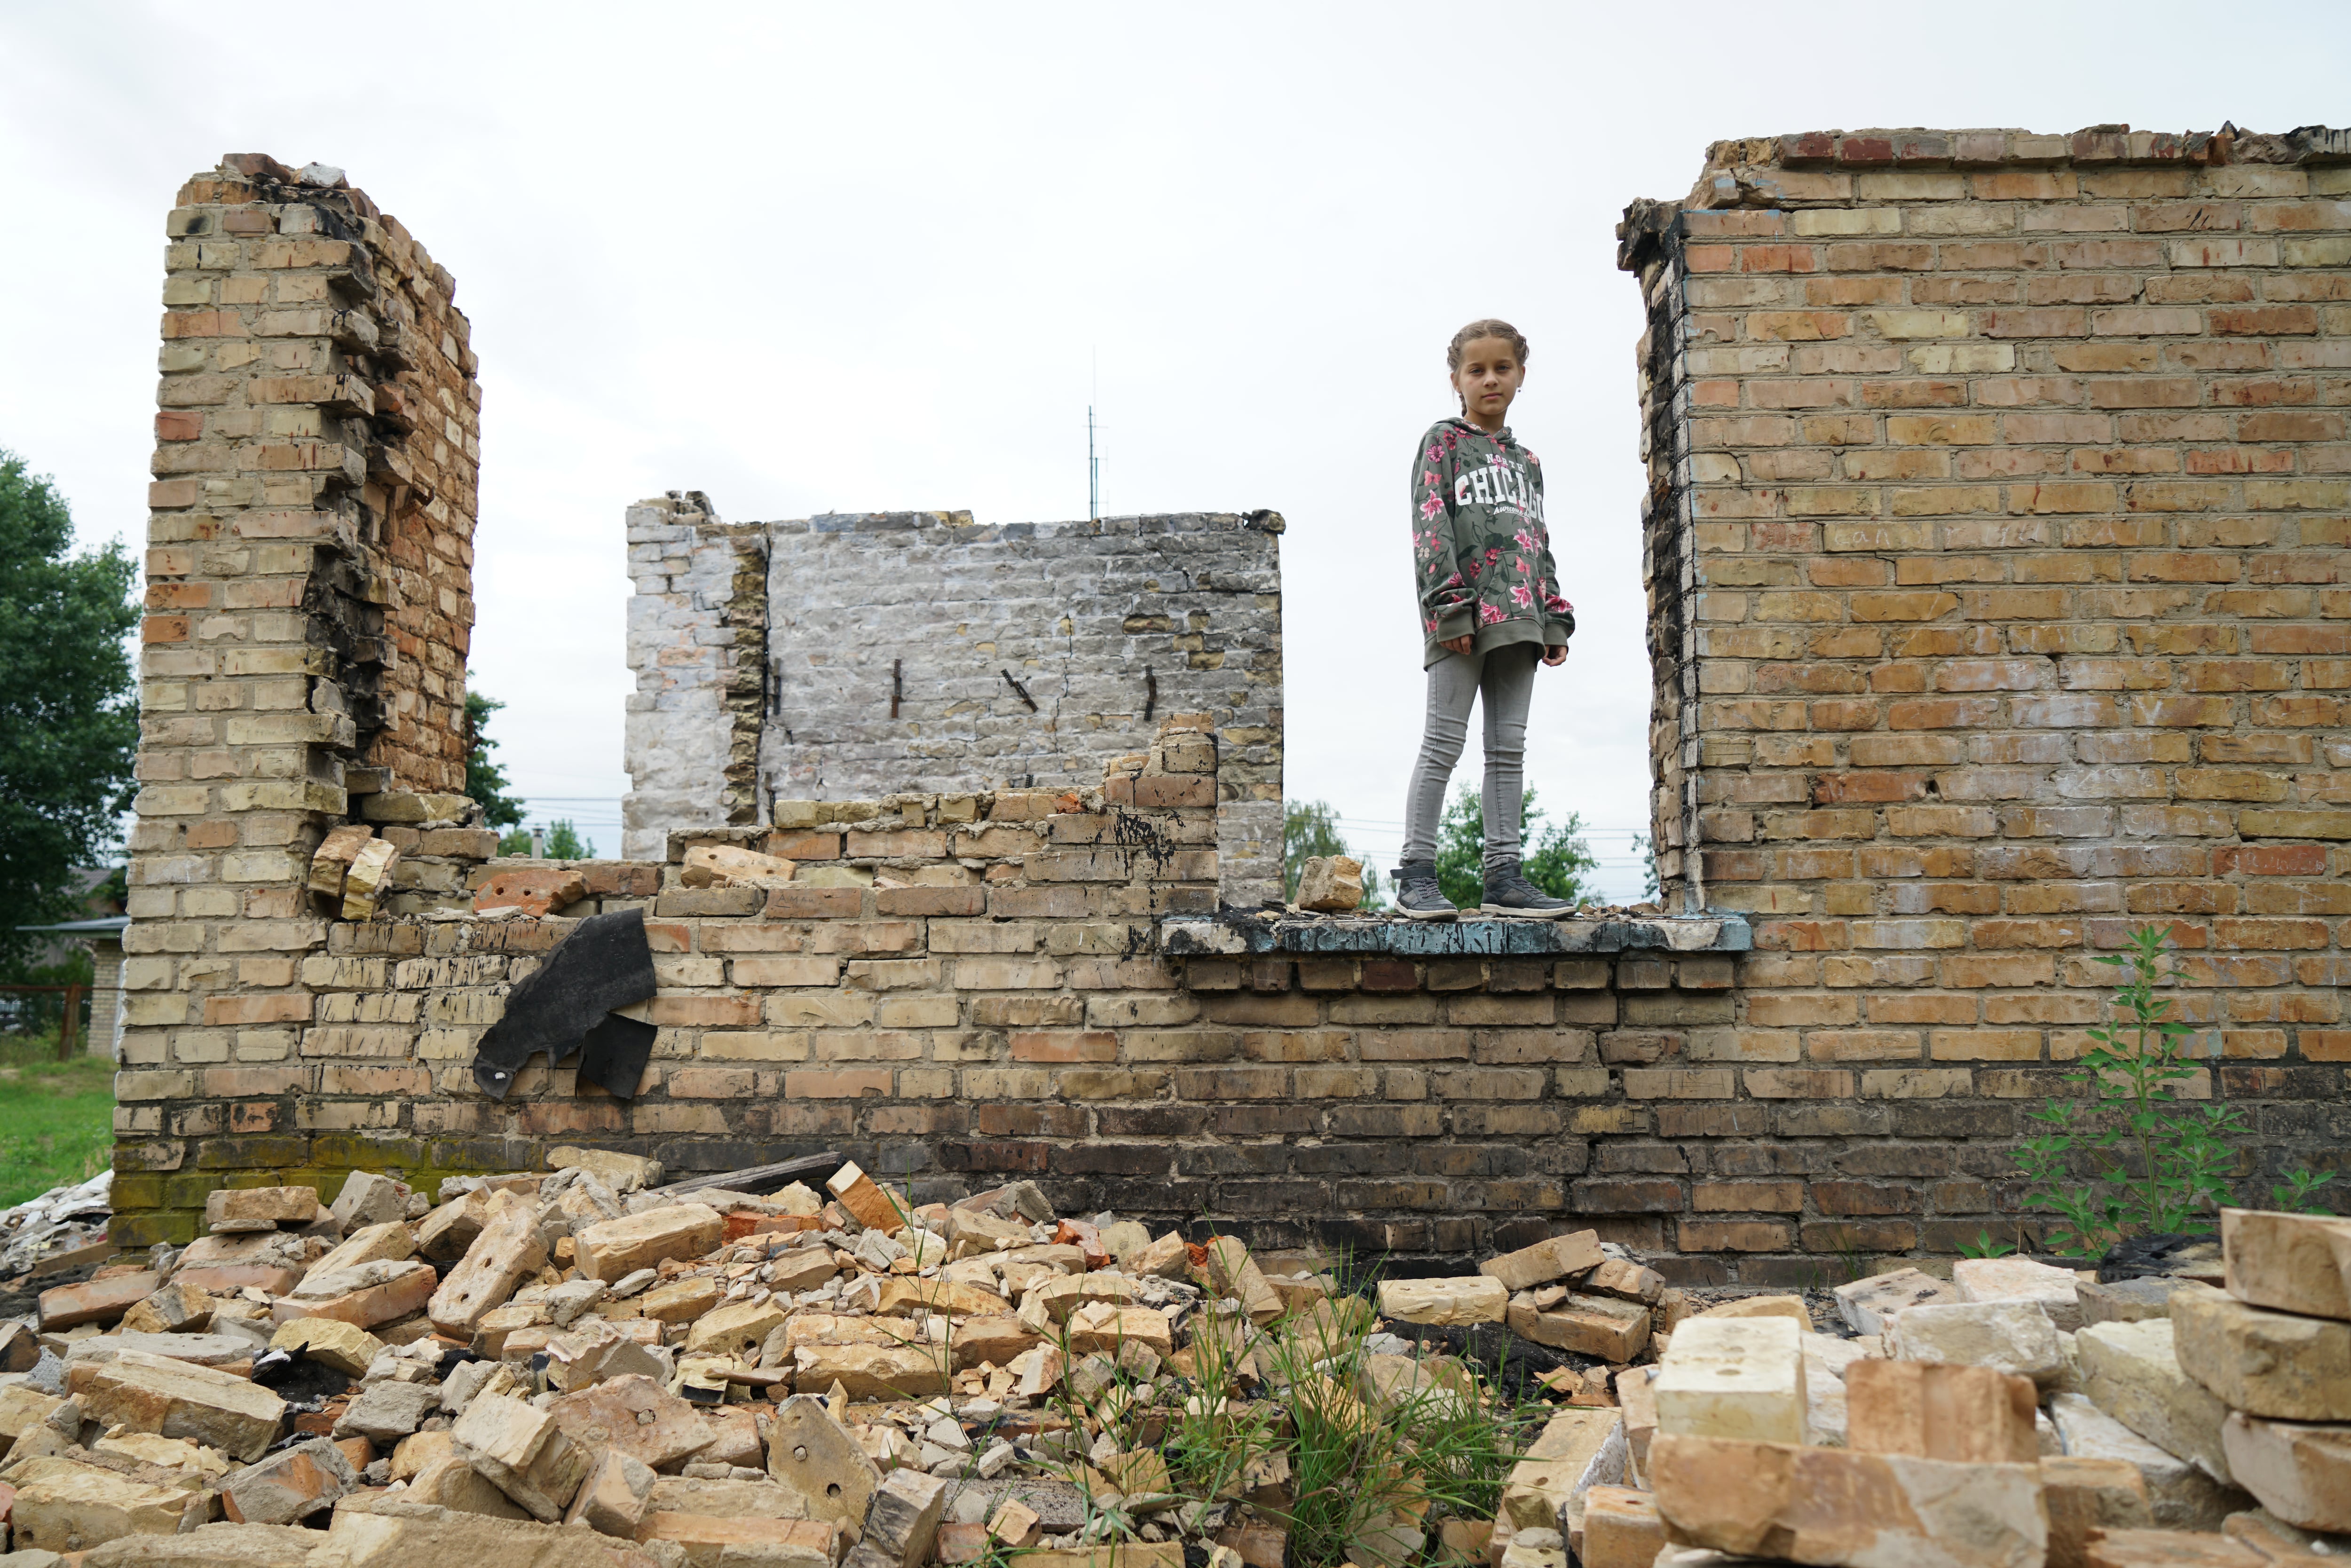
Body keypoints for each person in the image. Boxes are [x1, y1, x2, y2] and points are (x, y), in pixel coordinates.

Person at [1392, 319, 1576, 920]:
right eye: (1476, 370)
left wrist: (1553, 617)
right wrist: (1449, 607)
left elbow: (1536, 541)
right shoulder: (1442, 443)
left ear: (1520, 376)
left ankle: (1504, 878)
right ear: (1456, 380)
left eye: (1502, 368)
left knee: (1507, 748)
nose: (1490, 378)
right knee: (1443, 741)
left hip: (1520, 617)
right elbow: (1429, 526)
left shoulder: (1527, 462)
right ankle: (1416, 874)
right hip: (1461, 618)